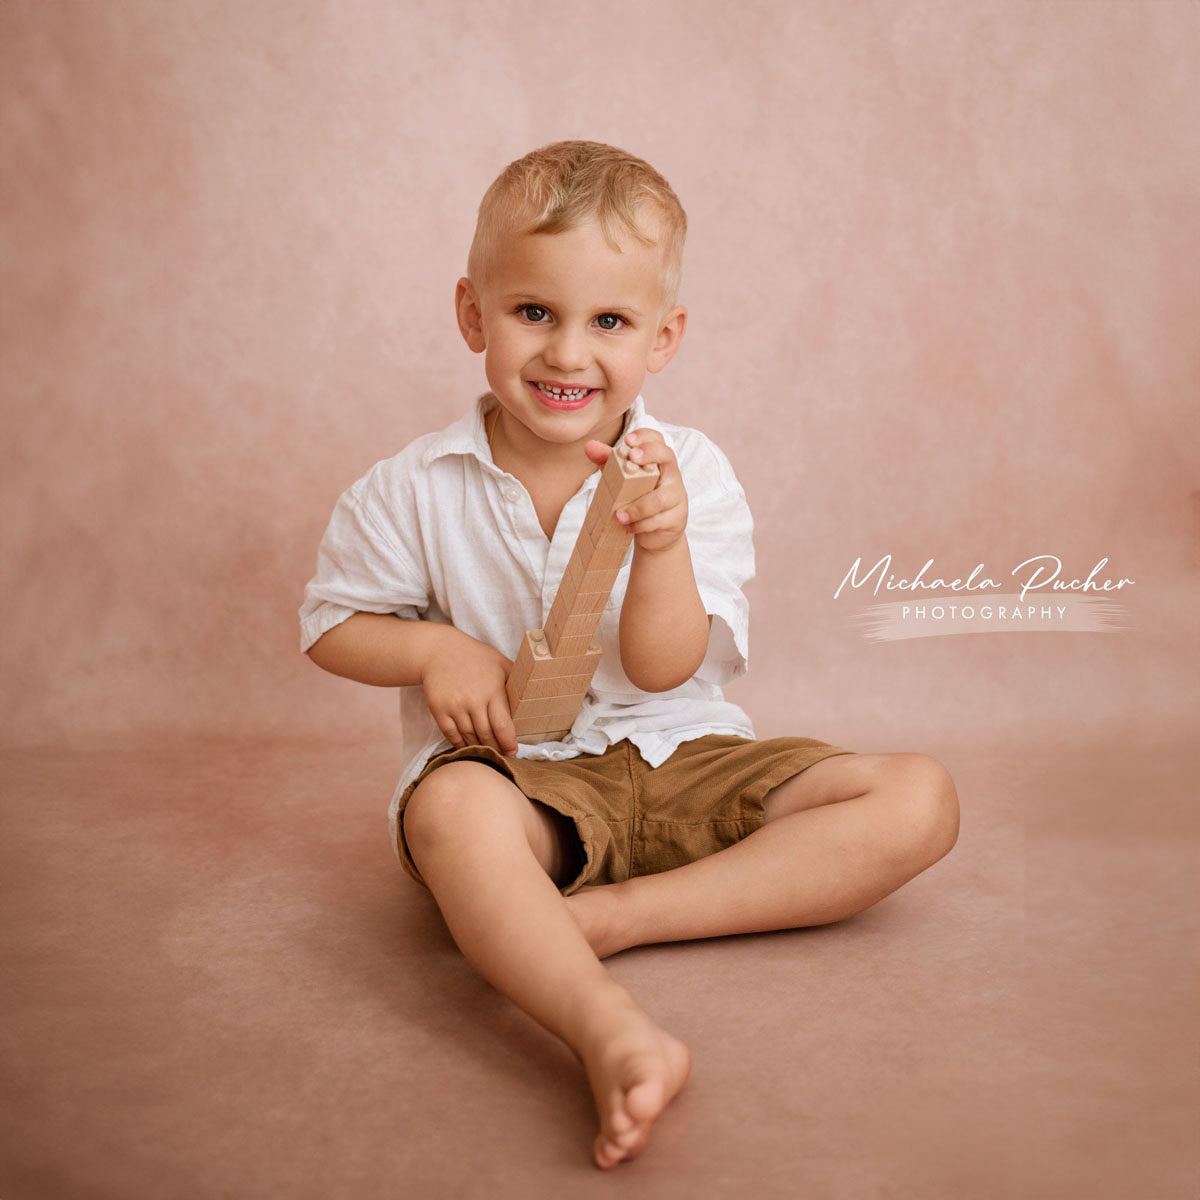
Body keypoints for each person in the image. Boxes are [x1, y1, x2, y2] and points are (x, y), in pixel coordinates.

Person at [299, 140, 960, 1171]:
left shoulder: (692, 472)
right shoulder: (410, 488)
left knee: (918, 798)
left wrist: (662, 548)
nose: (568, 354)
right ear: (473, 315)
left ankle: (614, 918)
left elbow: (663, 668)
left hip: (682, 752)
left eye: (608, 322)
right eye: (534, 312)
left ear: (664, 338)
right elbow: (331, 625)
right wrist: (433, 649)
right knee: (449, 810)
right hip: (529, 785)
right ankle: (606, 1027)